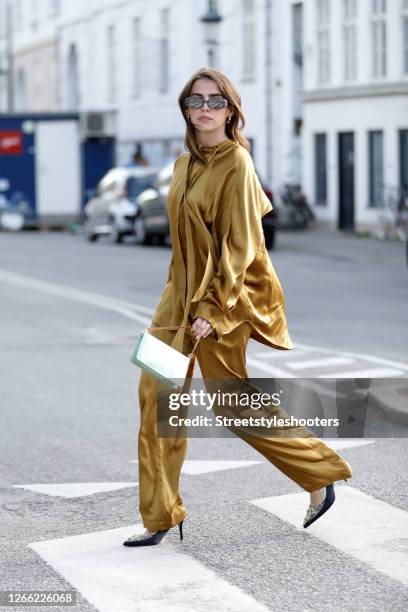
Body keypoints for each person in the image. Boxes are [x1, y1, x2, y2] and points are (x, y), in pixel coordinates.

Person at [123, 67, 352, 547]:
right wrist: (180, 302)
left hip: (220, 304)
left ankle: (319, 475)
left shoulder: (237, 164)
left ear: (231, 110)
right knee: (155, 397)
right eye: (195, 101)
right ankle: (160, 513)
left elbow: (241, 245)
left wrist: (213, 306)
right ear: (185, 109)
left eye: (214, 101)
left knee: (230, 402)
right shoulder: (184, 165)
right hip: (174, 303)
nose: (204, 110)